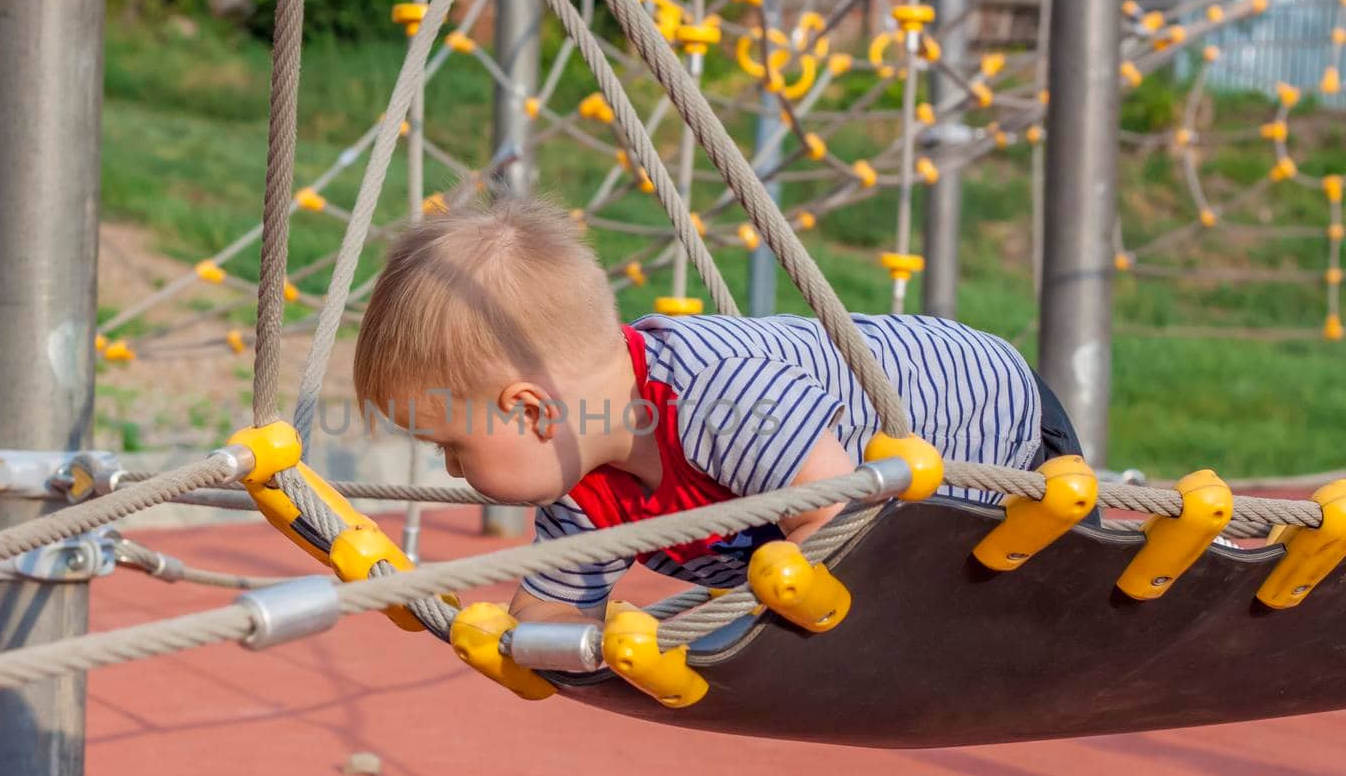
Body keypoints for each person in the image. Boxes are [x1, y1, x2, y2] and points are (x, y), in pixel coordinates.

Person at [353, 197, 1088, 623]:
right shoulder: (584, 483)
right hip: (905, 489)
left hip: (997, 435)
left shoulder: (718, 398)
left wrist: (741, 646)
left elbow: (840, 520)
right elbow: (553, 603)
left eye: (452, 446)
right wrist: (511, 642)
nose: (448, 466)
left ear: (532, 411)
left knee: (1043, 602)